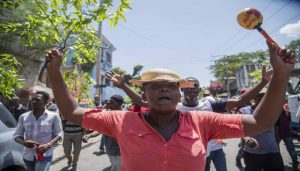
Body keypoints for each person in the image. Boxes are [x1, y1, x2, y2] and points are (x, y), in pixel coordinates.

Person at [45, 42, 294, 171]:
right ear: (144, 93)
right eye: (155, 85)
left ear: (179, 92)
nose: (163, 89)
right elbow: (71, 112)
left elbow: (259, 123)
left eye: (170, 85)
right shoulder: (122, 120)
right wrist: (54, 72)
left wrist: (281, 74)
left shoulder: (202, 121)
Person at [106, 66, 271, 171]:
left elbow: (240, 102)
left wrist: (264, 82)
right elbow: (144, 102)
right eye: (189, 88)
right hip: (198, 156)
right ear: (181, 92)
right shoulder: (173, 108)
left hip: (216, 150)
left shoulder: (211, 104)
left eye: (195, 87)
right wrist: (123, 86)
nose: (192, 91)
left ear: (199, 90)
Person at [13, 91, 63, 171]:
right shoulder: (23, 117)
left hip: (45, 155)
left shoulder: (54, 116)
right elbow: (16, 136)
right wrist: (24, 142)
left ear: (46, 102)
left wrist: (48, 145)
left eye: (37, 100)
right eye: (32, 99)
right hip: (28, 156)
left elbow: (59, 134)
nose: (33, 102)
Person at [239, 89, 285, 171]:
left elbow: (276, 130)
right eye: (259, 96)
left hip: (272, 152)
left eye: (264, 96)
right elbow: (239, 130)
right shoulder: (244, 111)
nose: (262, 98)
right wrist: (247, 138)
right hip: (252, 154)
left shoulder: (273, 110)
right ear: (254, 98)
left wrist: (277, 149)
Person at [83, 95, 123, 171]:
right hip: (110, 150)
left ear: (118, 104)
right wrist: (89, 136)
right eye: (108, 102)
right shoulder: (107, 115)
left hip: (120, 152)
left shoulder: (124, 116)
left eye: (112, 102)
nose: (109, 104)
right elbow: (100, 129)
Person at [275, 102, 300, 170]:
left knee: (291, 148)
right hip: (277, 132)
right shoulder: (274, 109)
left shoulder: (286, 108)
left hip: (286, 132)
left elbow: (289, 120)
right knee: (276, 150)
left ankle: (295, 163)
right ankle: (279, 164)